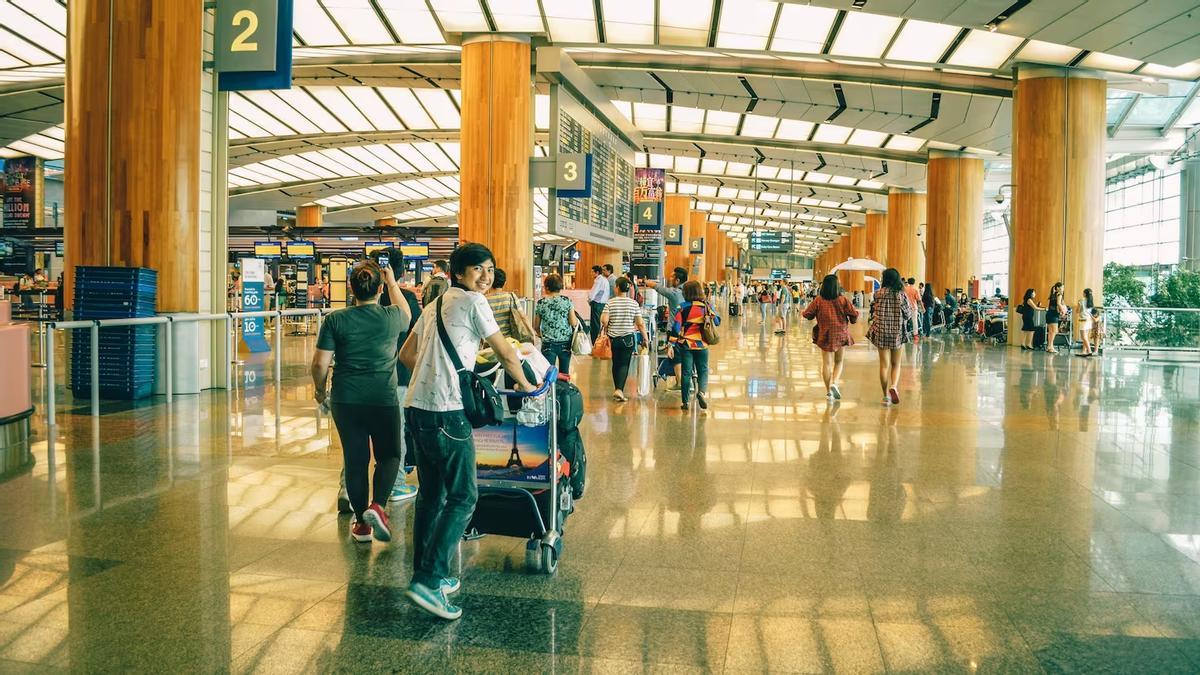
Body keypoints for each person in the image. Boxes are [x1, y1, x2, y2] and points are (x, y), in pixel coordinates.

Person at [398, 243, 534, 621]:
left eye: (490, 268)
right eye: (477, 269)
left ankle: (424, 574)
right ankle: (430, 578)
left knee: (431, 495)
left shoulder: (432, 305)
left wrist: (433, 372)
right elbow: (506, 352)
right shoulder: (475, 303)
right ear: (459, 273)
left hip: (417, 407)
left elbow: (407, 356)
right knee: (463, 497)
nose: (486, 276)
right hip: (447, 411)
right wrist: (524, 384)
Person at [311, 260, 412, 544]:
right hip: (383, 397)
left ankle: (361, 524)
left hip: (346, 398)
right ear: (379, 288)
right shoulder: (392, 316)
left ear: (351, 289)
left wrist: (320, 391)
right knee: (390, 455)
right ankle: (378, 506)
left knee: (355, 460)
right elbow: (406, 312)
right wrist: (392, 281)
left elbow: (320, 364)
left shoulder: (336, 319)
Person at [803, 274, 858, 400]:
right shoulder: (843, 300)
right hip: (841, 333)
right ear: (837, 286)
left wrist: (807, 314)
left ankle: (829, 392)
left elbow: (807, 314)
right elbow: (854, 314)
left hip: (825, 333)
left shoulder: (818, 300)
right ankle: (835, 383)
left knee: (826, 363)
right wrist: (852, 319)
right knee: (839, 361)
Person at [671, 280, 719, 410]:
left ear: (686, 293)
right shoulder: (706, 306)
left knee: (686, 373)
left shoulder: (682, 307)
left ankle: (685, 402)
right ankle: (701, 393)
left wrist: (671, 344)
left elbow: (676, 327)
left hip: (686, 344)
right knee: (703, 370)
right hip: (702, 344)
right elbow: (717, 321)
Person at [868, 268, 912, 405]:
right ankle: (894, 386)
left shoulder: (878, 293)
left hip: (881, 332)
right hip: (896, 333)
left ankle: (885, 396)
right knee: (896, 363)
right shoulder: (901, 295)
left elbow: (874, 310)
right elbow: (908, 314)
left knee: (884, 365)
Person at [600, 277, 648, 402]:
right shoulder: (634, 303)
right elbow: (640, 323)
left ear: (617, 288)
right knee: (624, 364)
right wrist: (645, 338)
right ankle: (619, 390)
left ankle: (618, 388)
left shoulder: (610, 303)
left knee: (616, 363)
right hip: (628, 339)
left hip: (613, 339)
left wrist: (606, 324)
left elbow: (604, 320)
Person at [646, 267, 687, 389]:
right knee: (685, 355)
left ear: (678, 280)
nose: (670, 279)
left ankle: (680, 383)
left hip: (674, 329)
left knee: (676, 356)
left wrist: (648, 283)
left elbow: (660, 289)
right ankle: (684, 380)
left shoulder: (675, 293)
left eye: (672, 277)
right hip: (688, 330)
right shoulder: (689, 291)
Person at [533, 273, 579, 375]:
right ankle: (565, 390)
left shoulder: (541, 303)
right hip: (565, 343)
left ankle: (552, 390)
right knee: (565, 373)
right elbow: (573, 322)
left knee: (549, 374)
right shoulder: (567, 301)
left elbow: (536, 326)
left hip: (548, 343)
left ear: (547, 288)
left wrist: (541, 335)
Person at [485, 268, 521, 341]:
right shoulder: (511, 296)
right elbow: (522, 316)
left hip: (489, 342)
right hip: (508, 341)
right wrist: (532, 333)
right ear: (505, 283)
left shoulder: (483, 300)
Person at [587, 265, 610, 343]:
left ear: (597, 272)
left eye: (592, 272)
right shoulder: (605, 280)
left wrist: (589, 300)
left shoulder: (598, 280)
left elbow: (592, 294)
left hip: (596, 304)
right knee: (601, 324)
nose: (591, 274)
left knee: (595, 325)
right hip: (603, 304)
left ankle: (595, 343)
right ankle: (600, 342)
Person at [1045, 282, 1066, 355]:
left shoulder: (1052, 295)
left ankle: (1049, 346)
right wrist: (1063, 312)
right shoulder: (1059, 294)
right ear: (1058, 288)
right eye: (1062, 287)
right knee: (1054, 331)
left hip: (1049, 314)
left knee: (1051, 331)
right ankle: (1050, 347)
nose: (1063, 289)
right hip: (1053, 315)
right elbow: (1058, 304)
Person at [1076, 288, 1096, 357]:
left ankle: (1089, 350)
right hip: (1089, 320)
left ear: (1084, 293)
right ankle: (1084, 351)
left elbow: (1077, 311)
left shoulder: (1081, 301)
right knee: (1086, 336)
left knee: (1083, 337)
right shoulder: (1091, 301)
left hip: (1083, 320)